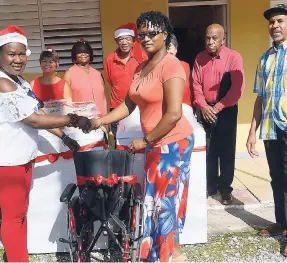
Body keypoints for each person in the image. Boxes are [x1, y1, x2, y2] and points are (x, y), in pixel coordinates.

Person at [74, 11, 194, 263]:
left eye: (153, 33)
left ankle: (165, 256)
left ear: (165, 34)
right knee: (157, 201)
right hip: (156, 143)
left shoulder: (171, 65)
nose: (147, 38)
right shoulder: (141, 67)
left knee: (164, 204)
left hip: (172, 143)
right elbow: (128, 104)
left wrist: (146, 139)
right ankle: (171, 253)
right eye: (142, 34)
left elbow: (173, 114)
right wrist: (100, 120)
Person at [0, 25, 84, 262]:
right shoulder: (3, 83)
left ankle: (16, 255)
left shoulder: (20, 82)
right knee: (13, 217)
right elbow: (34, 120)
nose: (18, 59)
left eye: (21, 54)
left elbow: (39, 111)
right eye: (11, 54)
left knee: (20, 214)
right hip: (7, 163)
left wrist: (63, 135)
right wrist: (73, 119)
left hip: (23, 159)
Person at [246, 4, 287, 248]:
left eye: (280, 21)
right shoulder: (265, 58)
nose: (275, 26)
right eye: (272, 22)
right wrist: (252, 131)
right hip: (271, 129)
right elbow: (260, 97)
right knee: (277, 179)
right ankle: (281, 222)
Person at [192, 24, 245, 205]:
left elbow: (237, 88)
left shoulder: (234, 57)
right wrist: (204, 106)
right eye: (207, 38)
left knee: (226, 150)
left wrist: (218, 107)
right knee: (209, 150)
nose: (210, 42)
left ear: (223, 39)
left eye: (214, 38)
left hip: (227, 109)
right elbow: (196, 85)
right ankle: (211, 186)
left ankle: (225, 189)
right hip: (206, 109)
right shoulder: (199, 58)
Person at [104, 23, 147, 138]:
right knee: (120, 143)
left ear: (133, 41)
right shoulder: (110, 59)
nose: (124, 42)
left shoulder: (142, 57)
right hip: (117, 108)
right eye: (121, 39)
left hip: (139, 108)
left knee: (139, 142)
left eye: (128, 39)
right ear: (116, 41)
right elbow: (110, 80)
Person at [63, 39, 107, 116]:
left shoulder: (97, 74)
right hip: (80, 121)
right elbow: (65, 101)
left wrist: (106, 118)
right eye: (79, 52)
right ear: (74, 55)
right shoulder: (69, 74)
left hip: (100, 121)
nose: (83, 54)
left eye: (86, 52)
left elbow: (103, 99)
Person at [167, 33, 193, 106]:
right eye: (164, 49)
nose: (167, 52)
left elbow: (191, 88)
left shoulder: (185, 66)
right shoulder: (157, 67)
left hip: (185, 107)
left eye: (169, 48)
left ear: (176, 49)